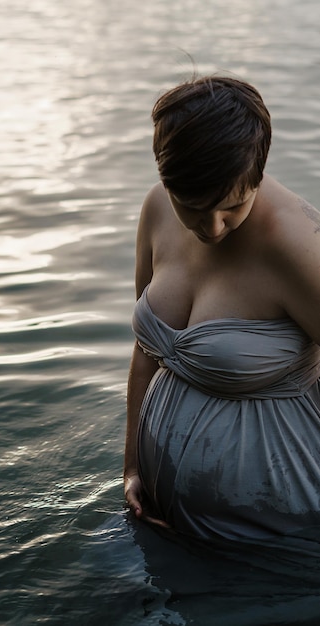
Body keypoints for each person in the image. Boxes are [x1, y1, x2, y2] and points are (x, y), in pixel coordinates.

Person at [124, 75, 320, 545]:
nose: (212, 227)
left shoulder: (299, 247)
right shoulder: (156, 209)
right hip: (161, 509)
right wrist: (131, 465)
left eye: (234, 206)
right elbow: (145, 352)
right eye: (192, 207)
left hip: (282, 530)